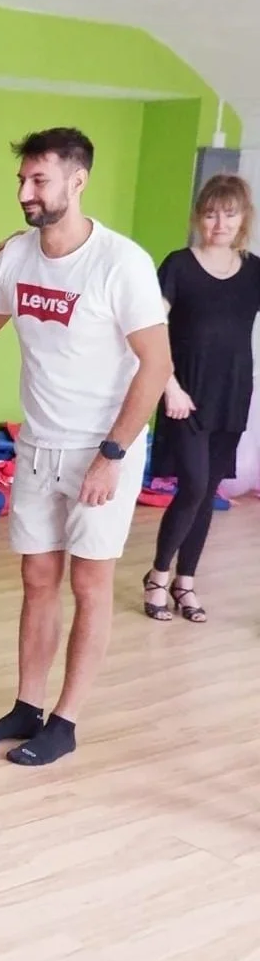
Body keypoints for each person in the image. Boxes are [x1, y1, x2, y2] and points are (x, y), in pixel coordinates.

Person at [0, 127, 171, 766]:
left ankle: (65, 720)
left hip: (101, 451)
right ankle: (27, 706)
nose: (26, 192)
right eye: (23, 180)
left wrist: (113, 455)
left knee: (90, 584)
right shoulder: (17, 257)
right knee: (37, 578)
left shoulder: (121, 262)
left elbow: (156, 365)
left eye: (39, 181)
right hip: (38, 445)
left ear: (77, 181)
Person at [143, 173, 260, 624]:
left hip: (231, 394)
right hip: (183, 393)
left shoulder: (253, 271)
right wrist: (168, 385)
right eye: (211, 213)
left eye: (229, 214)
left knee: (207, 491)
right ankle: (157, 575)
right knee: (191, 485)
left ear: (243, 219)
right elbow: (152, 330)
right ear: (200, 216)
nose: (219, 223)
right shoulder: (178, 265)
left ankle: (184, 581)